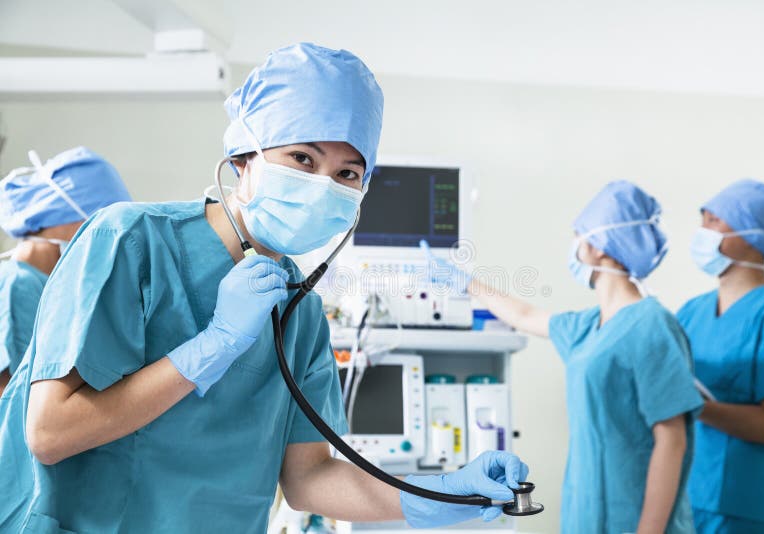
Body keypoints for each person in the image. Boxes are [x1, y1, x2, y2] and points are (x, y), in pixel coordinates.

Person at [0, 43, 528, 533]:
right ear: (242, 158)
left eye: (347, 173)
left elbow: (308, 478)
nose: (323, 184)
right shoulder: (129, 241)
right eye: (303, 158)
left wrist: (433, 494)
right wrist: (213, 345)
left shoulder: (300, 312)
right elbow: (50, 433)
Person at [424, 180, 704, 533]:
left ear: (601, 246)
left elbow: (672, 439)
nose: (574, 246)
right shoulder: (588, 326)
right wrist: (465, 282)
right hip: (585, 516)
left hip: (635, 521)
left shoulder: (651, 324)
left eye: (579, 235)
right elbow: (525, 317)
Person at [677, 180, 764, 534]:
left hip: (753, 505)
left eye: (714, 221)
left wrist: (695, 406)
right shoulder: (691, 312)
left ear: (752, 234)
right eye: (702, 220)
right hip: (692, 495)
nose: (702, 232)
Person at [0, 147, 130, 396]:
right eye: (101, 228)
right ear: (65, 220)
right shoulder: (17, 284)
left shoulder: (49, 287)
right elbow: (11, 398)